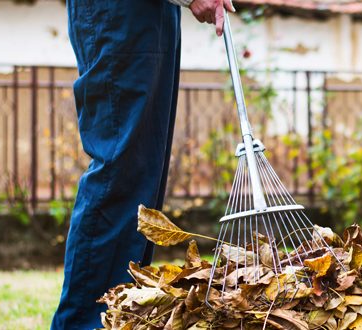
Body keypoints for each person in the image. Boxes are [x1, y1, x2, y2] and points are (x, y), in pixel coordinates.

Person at [51, 0, 233, 328]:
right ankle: (86, 323)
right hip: (119, 12)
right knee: (121, 171)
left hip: (154, 11)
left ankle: (120, 317)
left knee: (144, 175)